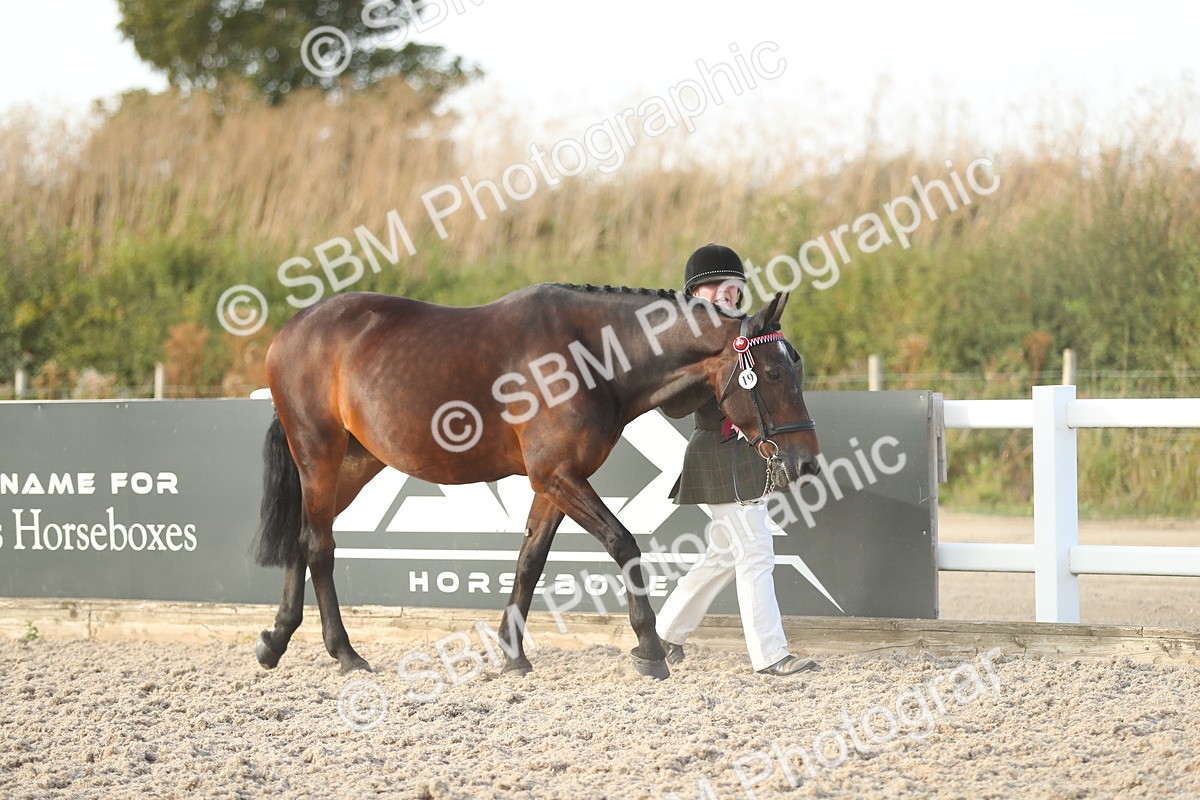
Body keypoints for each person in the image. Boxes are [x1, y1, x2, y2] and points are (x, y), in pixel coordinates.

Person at [655, 243, 817, 677]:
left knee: (725, 553)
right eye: (715, 284)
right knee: (756, 551)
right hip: (716, 448)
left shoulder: (745, 329)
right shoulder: (687, 338)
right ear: (694, 292)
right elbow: (670, 401)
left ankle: (663, 634)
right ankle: (770, 654)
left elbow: (783, 373)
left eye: (734, 285)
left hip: (744, 452)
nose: (727, 291)